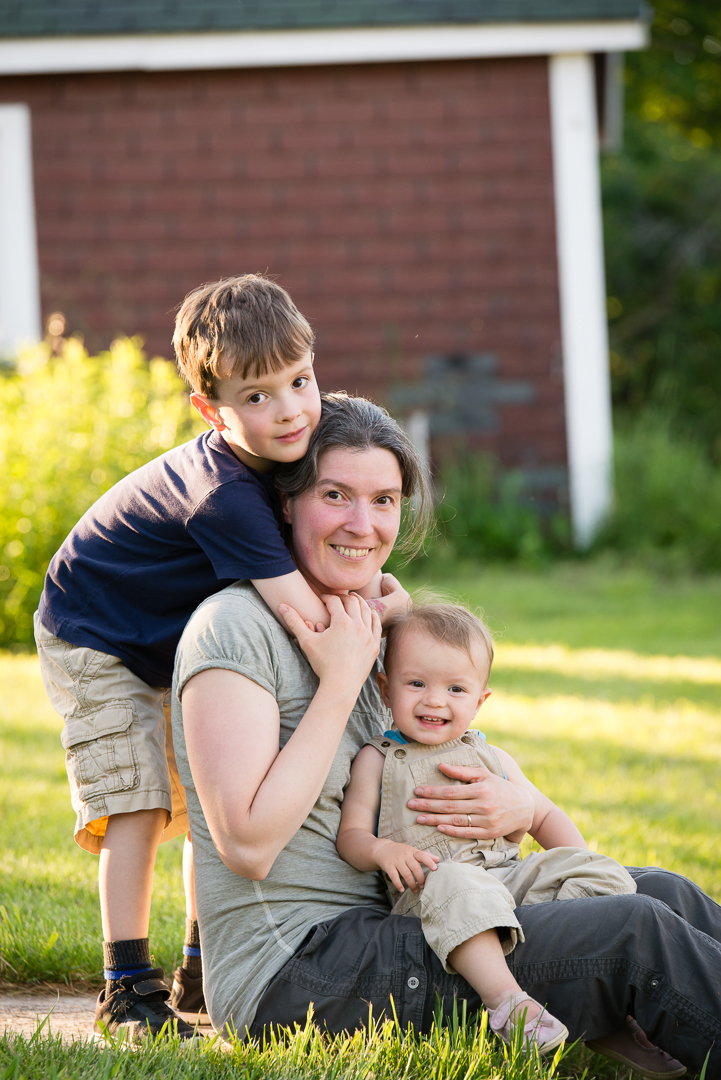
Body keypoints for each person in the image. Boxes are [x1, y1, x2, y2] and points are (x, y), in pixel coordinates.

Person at [172, 393, 721, 1077]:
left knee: (662, 894)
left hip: (410, 920)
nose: (361, 524)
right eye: (334, 495)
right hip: (298, 973)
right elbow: (246, 846)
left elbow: (445, 746)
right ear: (285, 502)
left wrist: (520, 806)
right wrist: (342, 680)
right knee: (633, 934)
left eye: (384, 500)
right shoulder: (233, 630)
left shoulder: (372, 621)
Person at [33, 276, 405, 1044]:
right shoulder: (225, 495)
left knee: (212, 789)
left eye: (299, 381)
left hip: (167, 631)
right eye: (258, 396)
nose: (292, 410)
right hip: (95, 630)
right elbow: (309, 619)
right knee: (137, 799)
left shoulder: (296, 445)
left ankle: (202, 963)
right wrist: (389, 609)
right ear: (212, 411)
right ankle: (125, 983)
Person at [337, 603, 685, 1070]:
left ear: (481, 700)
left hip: (509, 876)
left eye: (455, 688)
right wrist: (382, 850)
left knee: (599, 869)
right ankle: (508, 1003)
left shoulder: (494, 757)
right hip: (435, 889)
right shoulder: (377, 759)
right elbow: (351, 836)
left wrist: (578, 872)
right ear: (385, 689)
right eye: (416, 683)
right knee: (457, 884)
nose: (435, 701)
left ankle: (609, 1013)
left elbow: (545, 817)